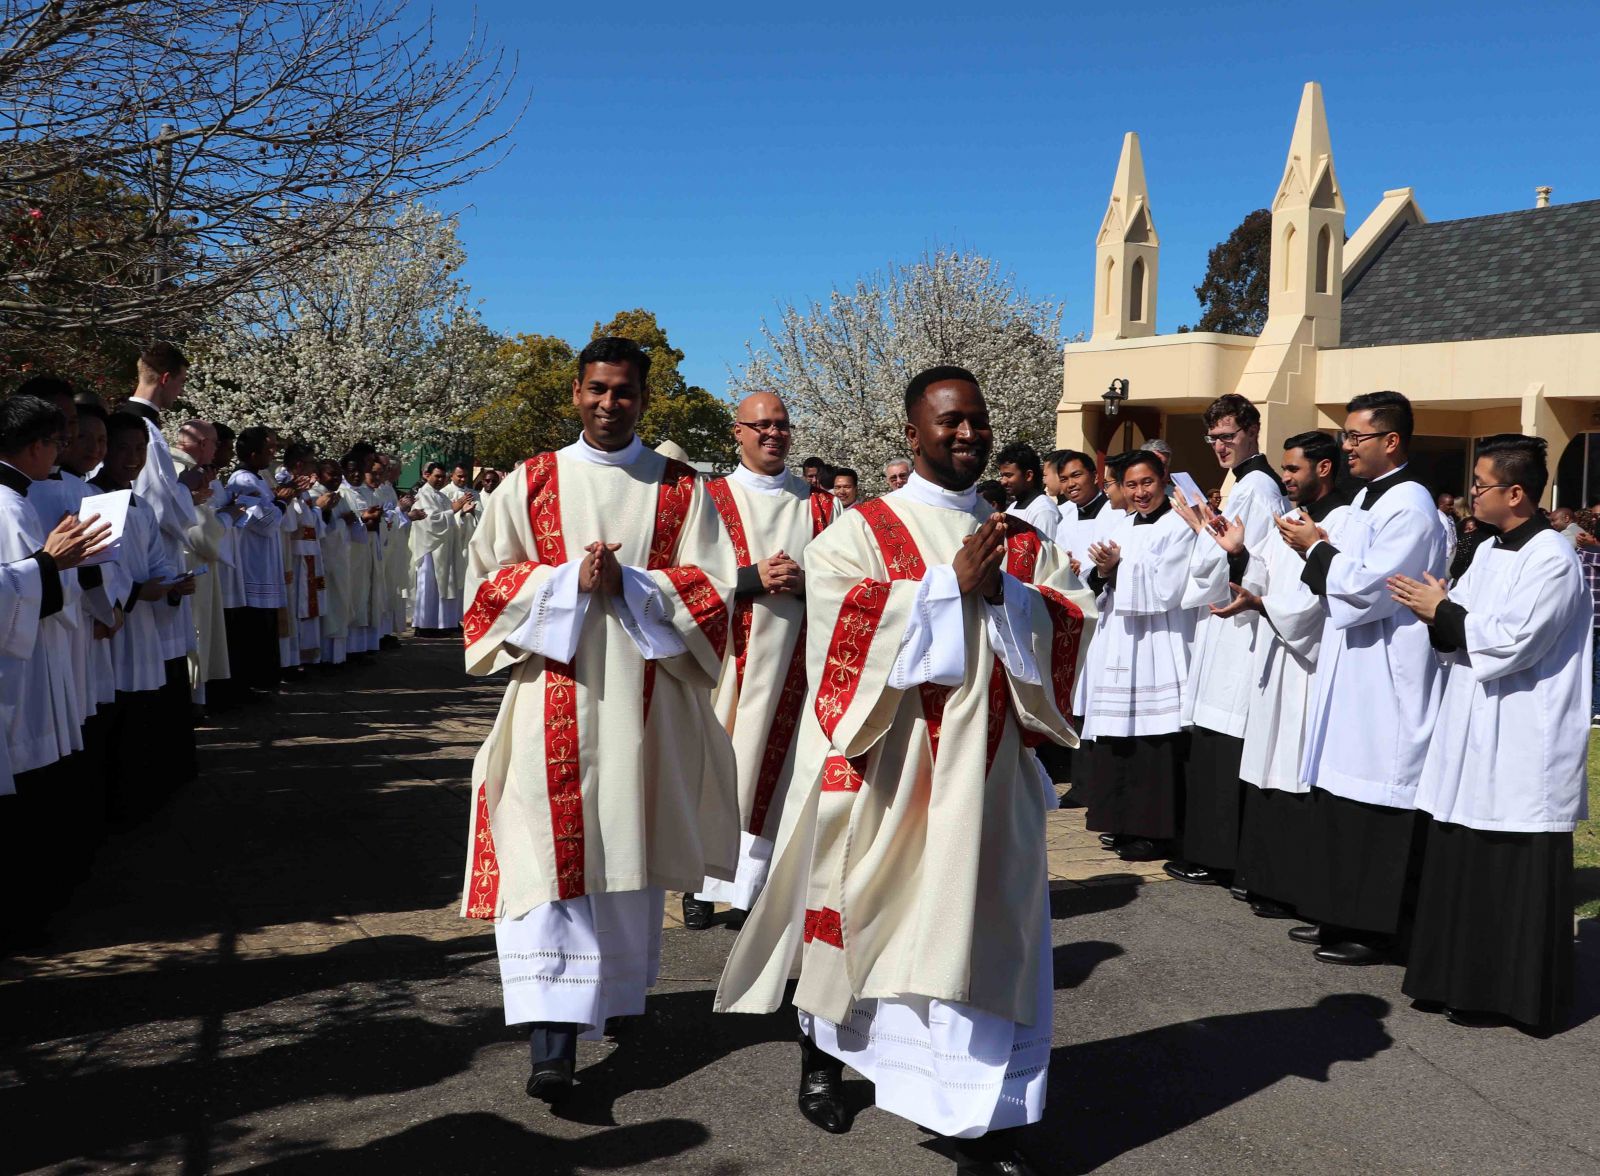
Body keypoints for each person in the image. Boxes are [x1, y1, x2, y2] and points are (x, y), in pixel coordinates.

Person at [716, 365, 1095, 1176]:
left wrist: (1008, 599)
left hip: (992, 786)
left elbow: (1070, 619)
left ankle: (981, 1121)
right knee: (864, 929)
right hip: (890, 780)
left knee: (989, 935)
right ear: (912, 433)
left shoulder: (1023, 537)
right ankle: (822, 1057)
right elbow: (841, 634)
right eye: (949, 422)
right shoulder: (860, 531)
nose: (967, 435)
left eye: (978, 421)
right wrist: (944, 590)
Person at [458, 336, 738, 1105]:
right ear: (575, 393)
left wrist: (633, 584)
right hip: (551, 700)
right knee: (545, 867)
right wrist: (566, 582)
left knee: (626, 861)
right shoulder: (534, 481)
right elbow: (484, 587)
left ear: (645, 400)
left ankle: (615, 1000)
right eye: (596, 390)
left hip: (646, 715)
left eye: (624, 392)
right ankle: (552, 1044)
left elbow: (714, 593)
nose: (609, 404)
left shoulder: (681, 488)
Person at [1392, 435, 1590, 1031]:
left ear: (1517, 493)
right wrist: (1435, 611)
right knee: (1461, 848)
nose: (1471, 494)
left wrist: (1442, 610)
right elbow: (1461, 624)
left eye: (1480, 485)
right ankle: (1453, 977)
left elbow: (1514, 641)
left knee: (1508, 856)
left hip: (1525, 728)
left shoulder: (1553, 558)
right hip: (1473, 722)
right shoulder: (1492, 550)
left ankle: (1507, 992)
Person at [1278, 390, 1451, 966]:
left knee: (1374, 799)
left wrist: (1318, 551)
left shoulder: (1412, 506)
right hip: (1351, 666)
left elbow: (1374, 590)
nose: (1346, 446)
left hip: (1387, 671)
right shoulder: (1367, 503)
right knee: (1339, 793)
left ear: (1392, 441)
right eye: (1346, 436)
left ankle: (1374, 926)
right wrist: (1317, 552)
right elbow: (1337, 579)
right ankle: (1336, 911)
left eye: (1357, 437)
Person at [683, 391, 836, 930]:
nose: (774, 434)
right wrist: (751, 579)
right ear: (737, 431)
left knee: (780, 774)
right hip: (728, 661)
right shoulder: (710, 497)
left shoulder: (820, 504)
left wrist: (805, 583)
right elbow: (688, 579)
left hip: (798, 661)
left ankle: (752, 889)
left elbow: (847, 581)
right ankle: (700, 884)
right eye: (762, 425)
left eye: (783, 424)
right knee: (718, 768)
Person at [1199, 432, 1348, 920]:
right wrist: (1240, 555)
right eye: (1284, 469)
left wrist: (1266, 605)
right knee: (1267, 766)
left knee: (1294, 767)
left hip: (1308, 666)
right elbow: (1266, 570)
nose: (1284, 478)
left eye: (1293, 470)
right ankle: (1262, 876)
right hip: (1276, 654)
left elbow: (1318, 601)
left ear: (1323, 469)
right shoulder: (1289, 519)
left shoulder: (1342, 522)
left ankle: (1292, 885)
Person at [1165, 394, 1289, 888]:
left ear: (1253, 430)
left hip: (1239, 622)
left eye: (1227, 436)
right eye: (1212, 438)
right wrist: (1204, 527)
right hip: (1230, 621)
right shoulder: (1247, 484)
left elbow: (1232, 560)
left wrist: (1200, 530)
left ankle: (1216, 855)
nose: (1219, 446)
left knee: (1223, 741)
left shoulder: (1255, 487)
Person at [0, 394, 109, 946]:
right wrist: (48, 563)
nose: (60, 454)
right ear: (39, 445)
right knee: (27, 779)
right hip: (18, 668)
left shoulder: (14, 499)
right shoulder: (4, 503)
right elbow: (11, 590)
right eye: (59, 442)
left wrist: (54, 562)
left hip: (36, 653)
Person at [1079, 451, 1197, 862]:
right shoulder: (1122, 525)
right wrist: (1102, 571)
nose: (1140, 492)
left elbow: (1170, 585)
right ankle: (1122, 820)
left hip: (1158, 642)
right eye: (1131, 485)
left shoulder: (1179, 525)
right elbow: (1098, 581)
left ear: (1163, 479)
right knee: (1117, 734)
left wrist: (1119, 568)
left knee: (1153, 737)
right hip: (1121, 639)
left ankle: (1156, 830)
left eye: (1146, 482)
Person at [119, 342, 199, 780]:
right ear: (166, 378)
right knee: (150, 666)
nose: (180, 392)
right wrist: (190, 490)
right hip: (146, 562)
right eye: (181, 381)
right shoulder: (142, 432)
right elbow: (162, 506)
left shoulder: (138, 426)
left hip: (145, 555)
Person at [222, 427, 288, 697]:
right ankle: (250, 681)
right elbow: (264, 523)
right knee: (253, 624)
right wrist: (282, 502)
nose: (273, 454)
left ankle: (262, 679)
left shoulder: (258, 478)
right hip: (253, 562)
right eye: (269, 448)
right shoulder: (243, 480)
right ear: (252, 452)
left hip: (264, 561)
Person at [171, 420, 231, 709]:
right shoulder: (182, 470)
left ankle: (196, 697)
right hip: (188, 562)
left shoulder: (184, 469)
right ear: (202, 444)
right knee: (193, 630)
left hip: (192, 561)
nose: (217, 450)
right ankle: (192, 700)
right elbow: (199, 531)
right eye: (216, 443)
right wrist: (225, 521)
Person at [409, 462, 473, 637]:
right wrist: (453, 510)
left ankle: (443, 623)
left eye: (442, 477)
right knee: (429, 586)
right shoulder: (423, 495)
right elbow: (429, 521)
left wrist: (460, 512)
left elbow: (451, 517)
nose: (440, 480)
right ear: (426, 475)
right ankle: (424, 624)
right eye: (436, 476)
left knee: (444, 585)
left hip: (444, 548)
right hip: (430, 550)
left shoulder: (441, 496)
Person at [312, 460, 356, 667]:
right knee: (327, 603)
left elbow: (350, 521)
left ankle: (338, 655)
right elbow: (320, 529)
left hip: (340, 557)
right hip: (324, 560)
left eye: (339, 474)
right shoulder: (315, 495)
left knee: (340, 602)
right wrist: (339, 520)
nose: (337, 478)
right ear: (319, 475)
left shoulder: (341, 496)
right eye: (332, 474)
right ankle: (323, 656)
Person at [995, 441, 1059, 543]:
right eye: (1002, 476)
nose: (1003, 482)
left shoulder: (1043, 511)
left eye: (1008, 475)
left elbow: (1045, 554)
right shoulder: (1012, 507)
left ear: (1028, 475)